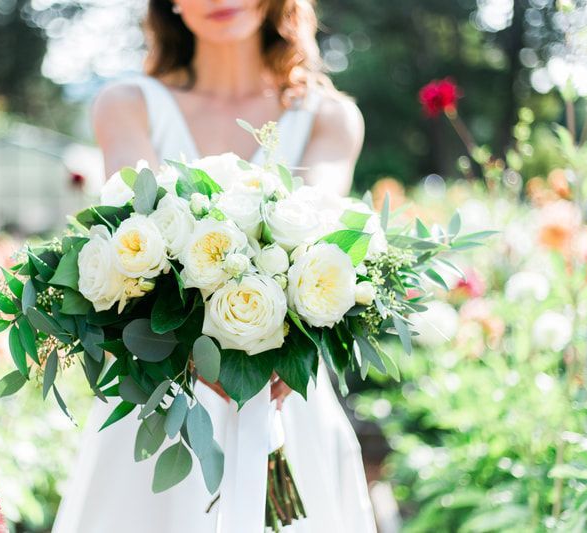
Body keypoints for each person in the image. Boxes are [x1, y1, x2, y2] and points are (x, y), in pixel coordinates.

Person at [53, 1, 377, 531]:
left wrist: (278, 350)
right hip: (164, 397)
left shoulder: (330, 117)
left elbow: (323, 245)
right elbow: (137, 241)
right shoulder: (126, 104)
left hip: (283, 393)